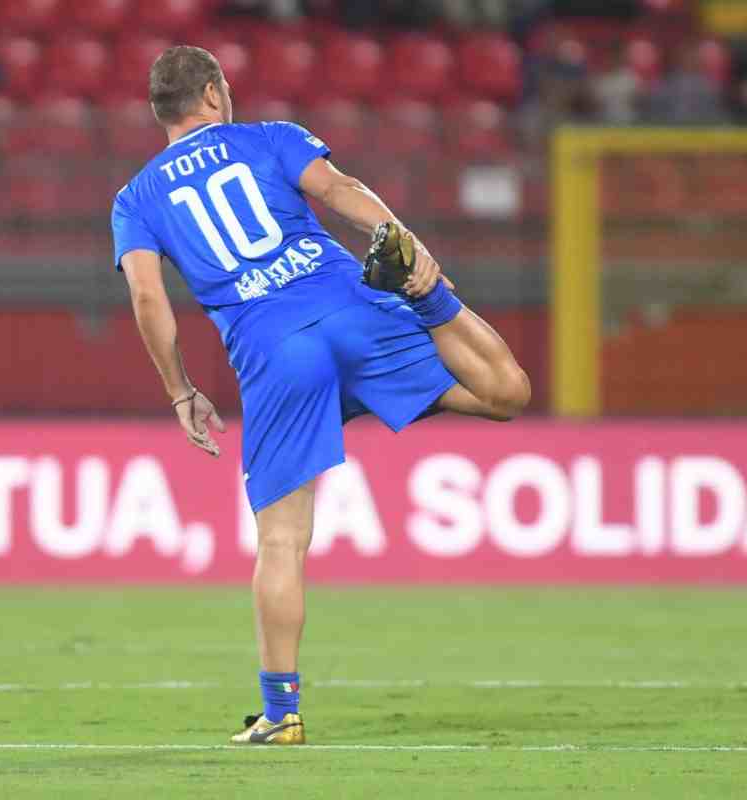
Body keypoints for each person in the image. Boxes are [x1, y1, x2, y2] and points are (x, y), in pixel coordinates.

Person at [111, 46, 530, 745]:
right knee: (502, 394)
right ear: (213, 94)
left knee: (281, 540)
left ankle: (281, 715)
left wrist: (180, 390)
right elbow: (338, 188)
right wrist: (401, 239)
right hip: (352, 308)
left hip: (275, 352)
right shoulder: (270, 138)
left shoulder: (136, 199)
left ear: (164, 113)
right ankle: (428, 299)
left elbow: (148, 298)